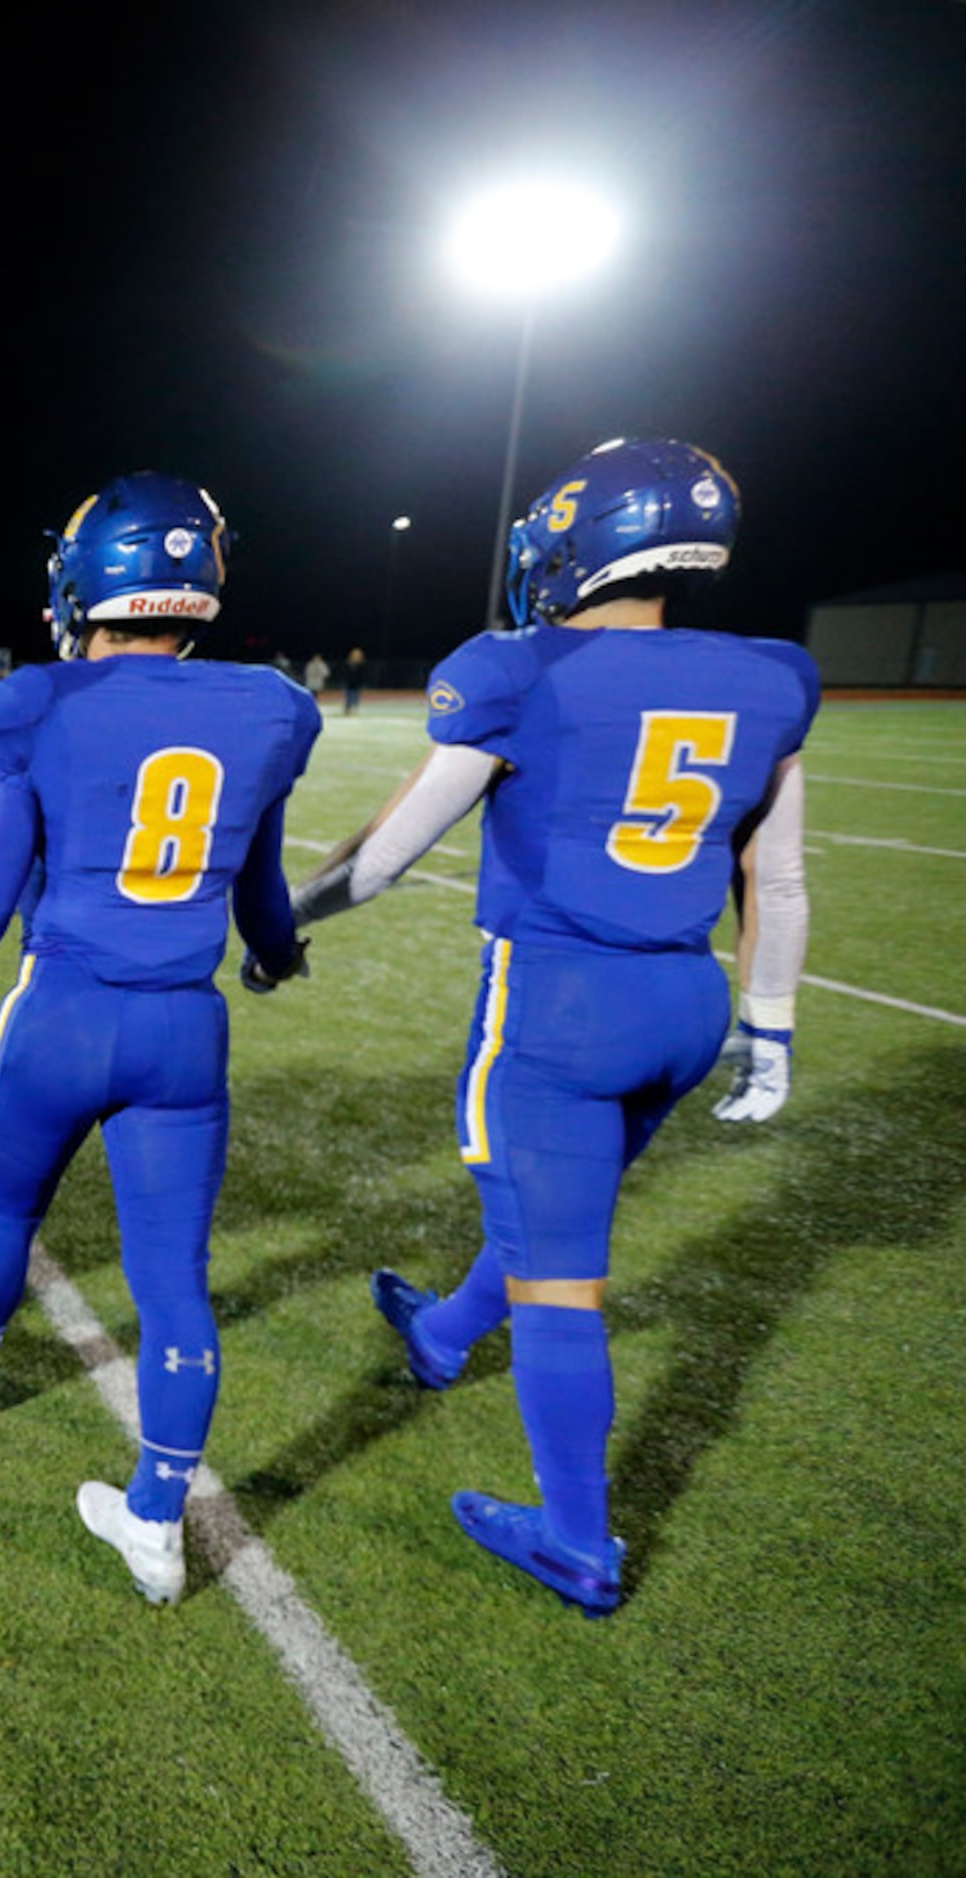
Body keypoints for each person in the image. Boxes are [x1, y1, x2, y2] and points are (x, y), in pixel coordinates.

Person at [293, 438, 815, 1615]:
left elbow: (380, 861)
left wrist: (280, 926)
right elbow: (773, 882)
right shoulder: (770, 674)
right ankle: (437, 1336)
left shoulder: (517, 669)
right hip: (683, 1005)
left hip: (562, 1007)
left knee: (559, 1274)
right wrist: (767, 1030)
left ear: (580, 544)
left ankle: (577, 1538)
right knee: (551, 1216)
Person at [0, 473, 317, 1605]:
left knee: (8, 1208)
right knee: (173, 1284)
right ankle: (155, 1517)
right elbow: (262, 887)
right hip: (185, 1033)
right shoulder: (271, 706)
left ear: (84, 579)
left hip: (63, 1011)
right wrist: (276, 956)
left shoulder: (36, 702)